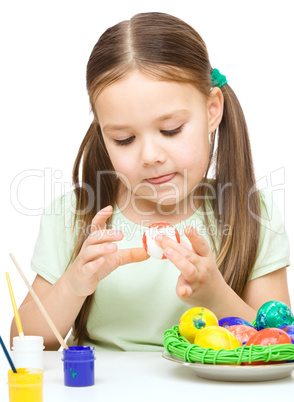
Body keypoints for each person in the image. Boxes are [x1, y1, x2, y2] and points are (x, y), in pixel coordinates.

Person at [10, 12, 290, 351]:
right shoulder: (75, 214)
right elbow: (24, 341)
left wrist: (216, 295)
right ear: (103, 134)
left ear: (212, 109)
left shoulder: (252, 213)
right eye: (124, 139)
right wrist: (73, 286)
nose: (150, 156)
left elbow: (277, 346)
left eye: (170, 130)